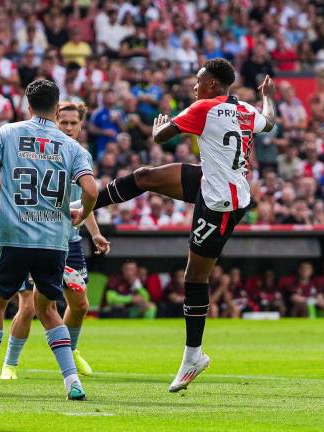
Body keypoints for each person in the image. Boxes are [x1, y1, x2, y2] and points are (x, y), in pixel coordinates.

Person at [91, 59, 276, 392]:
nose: (193, 86)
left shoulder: (205, 107)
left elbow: (161, 137)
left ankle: (194, 356)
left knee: (195, 276)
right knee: (146, 176)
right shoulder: (246, 109)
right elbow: (271, 123)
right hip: (213, 181)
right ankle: (84, 207)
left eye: (199, 81)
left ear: (214, 86)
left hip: (220, 203)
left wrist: (159, 124)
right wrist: (268, 97)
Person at [0, 79, 96, 402]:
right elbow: (91, 191)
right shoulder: (72, 147)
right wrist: (82, 213)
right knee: (48, 308)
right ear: (56, 105)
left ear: (27, 104)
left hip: (14, 235)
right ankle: (72, 382)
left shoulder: (8, 134)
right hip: (54, 240)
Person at [0, 102, 110, 381]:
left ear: (81, 125)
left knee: (80, 304)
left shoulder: (79, 154)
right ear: (54, 120)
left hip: (68, 241)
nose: (69, 127)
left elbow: (84, 199)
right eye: (64, 122)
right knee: (28, 306)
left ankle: (69, 350)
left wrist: (94, 232)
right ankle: (10, 364)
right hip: (34, 235)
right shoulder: (37, 149)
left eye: (74, 123)